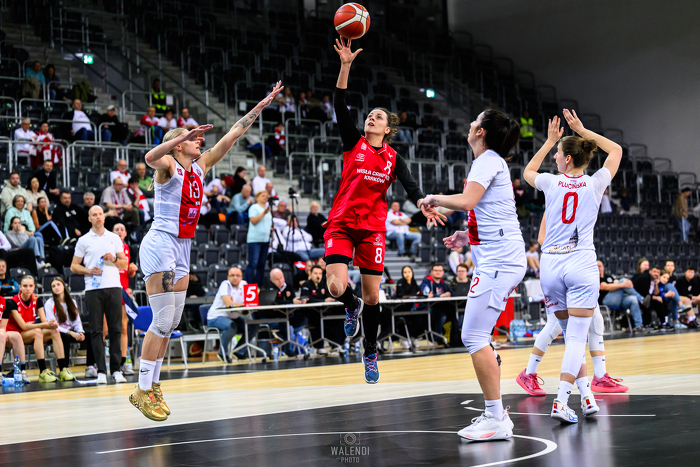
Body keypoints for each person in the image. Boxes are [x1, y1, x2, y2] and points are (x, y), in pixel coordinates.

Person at [132, 82, 282, 421]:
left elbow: (233, 134)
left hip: (183, 245)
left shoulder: (200, 167)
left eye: (198, 137)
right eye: (192, 137)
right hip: (161, 242)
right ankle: (141, 388)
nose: (199, 140)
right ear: (178, 145)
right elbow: (149, 157)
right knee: (161, 320)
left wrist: (261, 104)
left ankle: (153, 385)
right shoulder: (169, 166)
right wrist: (180, 136)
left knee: (171, 322)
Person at [324, 38, 443, 385]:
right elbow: (340, 103)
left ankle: (371, 351)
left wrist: (422, 203)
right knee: (335, 287)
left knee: (374, 295)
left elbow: (411, 187)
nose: (371, 118)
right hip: (342, 223)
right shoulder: (354, 143)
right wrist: (345, 65)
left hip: (372, 228)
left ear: (387, 129)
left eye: (377, 117)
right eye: (369, 116)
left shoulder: (393, 158)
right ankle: (350, 305)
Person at [420, 107, 525, 440]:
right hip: (499, 256)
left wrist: (433, 198)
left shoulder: (488, 160)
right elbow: (492, 212)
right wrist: (468, 236)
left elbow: (467, 201)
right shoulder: (491, 162)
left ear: (481, 131)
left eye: (476, 120)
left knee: (474, 337)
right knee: (478, 337)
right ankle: (495, 412)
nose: (470, 123)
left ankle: (496, 417)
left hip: (500, 260)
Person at [521, 109, 622, 424]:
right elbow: (616, 151)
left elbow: (528, 171)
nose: (553, 156)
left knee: (570, 339)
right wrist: (583, 130)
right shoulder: (595, 183)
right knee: (577, 340)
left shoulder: (550, 183)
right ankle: (561, 402)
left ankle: (587, 396)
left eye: (557, 153)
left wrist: (548, 140)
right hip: (580, 263)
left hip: (551, 265)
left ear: (567, 159)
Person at [71, 206, 129, 385]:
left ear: (104, 217)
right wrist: (88, 270)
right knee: (96, 331)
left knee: (116, 330)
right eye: (94, 215)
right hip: (93, 289)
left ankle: (116, 370)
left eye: (100, 214)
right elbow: (74, 266)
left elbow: (124, 264)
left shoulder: (114, 238)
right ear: (89, 218)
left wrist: (113, 259)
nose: (98, 217)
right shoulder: (83, 240)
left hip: (114, 287)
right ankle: (101, 371)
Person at [7, 275, 74, 382]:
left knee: (54, 331)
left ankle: (63, 369)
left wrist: (51, 324)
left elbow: (44, 322)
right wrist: (44, 325)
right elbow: (23, 326)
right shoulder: (12, 302)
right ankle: (43, 371)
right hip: (15, 335)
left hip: (30, 333)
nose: (28, 288)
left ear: (34, 287)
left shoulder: (37, 300)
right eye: (25, 286)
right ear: (20, 287)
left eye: (30, 286)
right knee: (38, 332)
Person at [44, 276, 94, 374]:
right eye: (53, 286)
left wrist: (80, 332)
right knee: (65, 337)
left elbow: (77, 321)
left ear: (64, 286)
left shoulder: (72, 302)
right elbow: (53, 325)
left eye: (58, 284)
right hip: (56, 333)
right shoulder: (49, 303)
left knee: (91, 336)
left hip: (71, 332)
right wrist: (70, 332)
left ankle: (91, 367)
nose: (56, 287)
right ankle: (64, 368)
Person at [111, 223, 139, 375]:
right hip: (110, 289)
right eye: (117, 229)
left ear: (126, 233)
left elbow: (129, 273)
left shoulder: (128, 248)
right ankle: (96, 363)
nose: (119, 231)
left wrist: (132, 271)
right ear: (112, 232)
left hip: (123, 292)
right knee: (105, 329)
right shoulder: (108, 247)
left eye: (122, 230)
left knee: (123, 327)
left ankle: (123, 362)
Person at [207, 267, 246, 362]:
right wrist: (244, 304)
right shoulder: (225, 285)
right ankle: (222, 353)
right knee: (231, 326)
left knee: (253, 326)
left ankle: (239, 351)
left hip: (233, 317)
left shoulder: (244, 284)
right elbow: (229, 304)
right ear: (228, 277)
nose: (235, 278)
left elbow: (251, 301)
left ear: (241, 277)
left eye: (238, 275)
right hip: (215, 317)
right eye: (232, 275)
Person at [598, 260, 644, 330]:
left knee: (633, 299)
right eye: (596, 266)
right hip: (606, 300)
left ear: (603, 267)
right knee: (622, 281)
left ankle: (639, 326)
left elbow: (616, 282)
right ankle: (642, 299)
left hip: (618, 299)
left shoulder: (608, 277)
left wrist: (627, 283)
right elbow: (605, 287)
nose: (598, 268)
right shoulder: (596, 278)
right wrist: (623, 284)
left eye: (600, 266)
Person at [419, 264, 459, 343]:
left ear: (443, 272)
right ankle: (438, 338)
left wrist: (449, 294)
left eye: (440, 271)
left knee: (455, 313)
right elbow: (426, 294)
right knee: (442, 316)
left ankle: (455, 338)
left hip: (441, 306)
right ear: (431, 272)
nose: (438, 272)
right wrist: (440, 296)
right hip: (429, 307)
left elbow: (452, 293)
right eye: (436, 270)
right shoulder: (426, 281)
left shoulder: (443, 283)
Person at [245, 190, 273, 286]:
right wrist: (264, 213)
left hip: (265, 240)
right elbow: (253, 221)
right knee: (253, 263)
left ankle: (259, 285)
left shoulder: (268, 209)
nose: (265, 197)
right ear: (257, 197)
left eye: (266, 196)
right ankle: (248, 285)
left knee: (262, 264)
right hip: (255, 240)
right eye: (263, 195)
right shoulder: (254, 207)